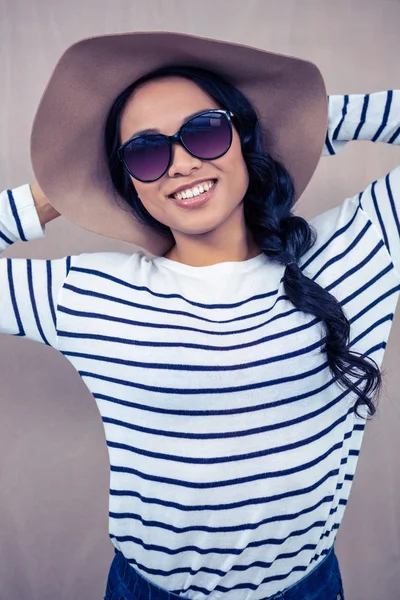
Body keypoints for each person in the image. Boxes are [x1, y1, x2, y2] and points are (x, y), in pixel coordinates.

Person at [1, 31, 399, 600]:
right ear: (129, 181)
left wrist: (307, 120)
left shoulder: (360, 248)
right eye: (145, 151)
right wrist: (55, 191)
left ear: (243, 136)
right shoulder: (87, 293)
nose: (181, 163)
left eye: (206, 131)